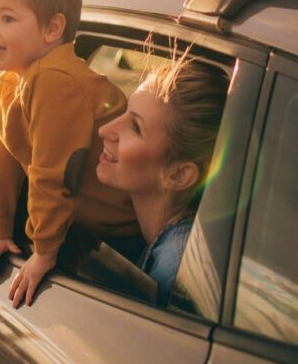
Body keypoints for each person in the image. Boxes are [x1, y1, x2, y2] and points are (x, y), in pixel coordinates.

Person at [0, 0, 138, 307]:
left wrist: (44, 252)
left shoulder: (54, 81)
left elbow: (52, 173)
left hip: (123, 232)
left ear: (52, 29)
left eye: (6, 18)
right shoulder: (16, 80)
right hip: (88, 226)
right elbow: (5, 159)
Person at [96, 56, 228, 304]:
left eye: (135, 127)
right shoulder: (176, 245)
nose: (105, 130)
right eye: (125, 112)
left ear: (178, 175)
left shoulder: (174, 273)